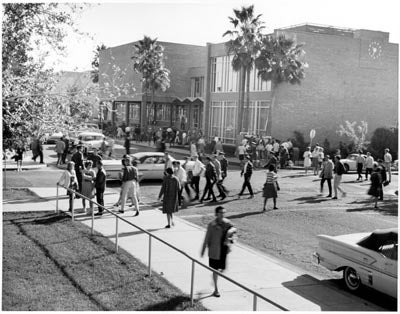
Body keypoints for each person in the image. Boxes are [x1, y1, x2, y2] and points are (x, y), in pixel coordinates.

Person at [200, 206, 236, 298]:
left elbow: (234, 229)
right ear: (216, 214)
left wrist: (230, 234)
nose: (222, 214)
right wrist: (203, 250)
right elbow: (207, 238)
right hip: (214, 251)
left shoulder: (227, 222)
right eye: (220, 212)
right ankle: (216, 290)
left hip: (223, 250)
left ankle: (214, 278)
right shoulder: (212, 225)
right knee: (215, 270)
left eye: (223, 212)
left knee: (223, 269)